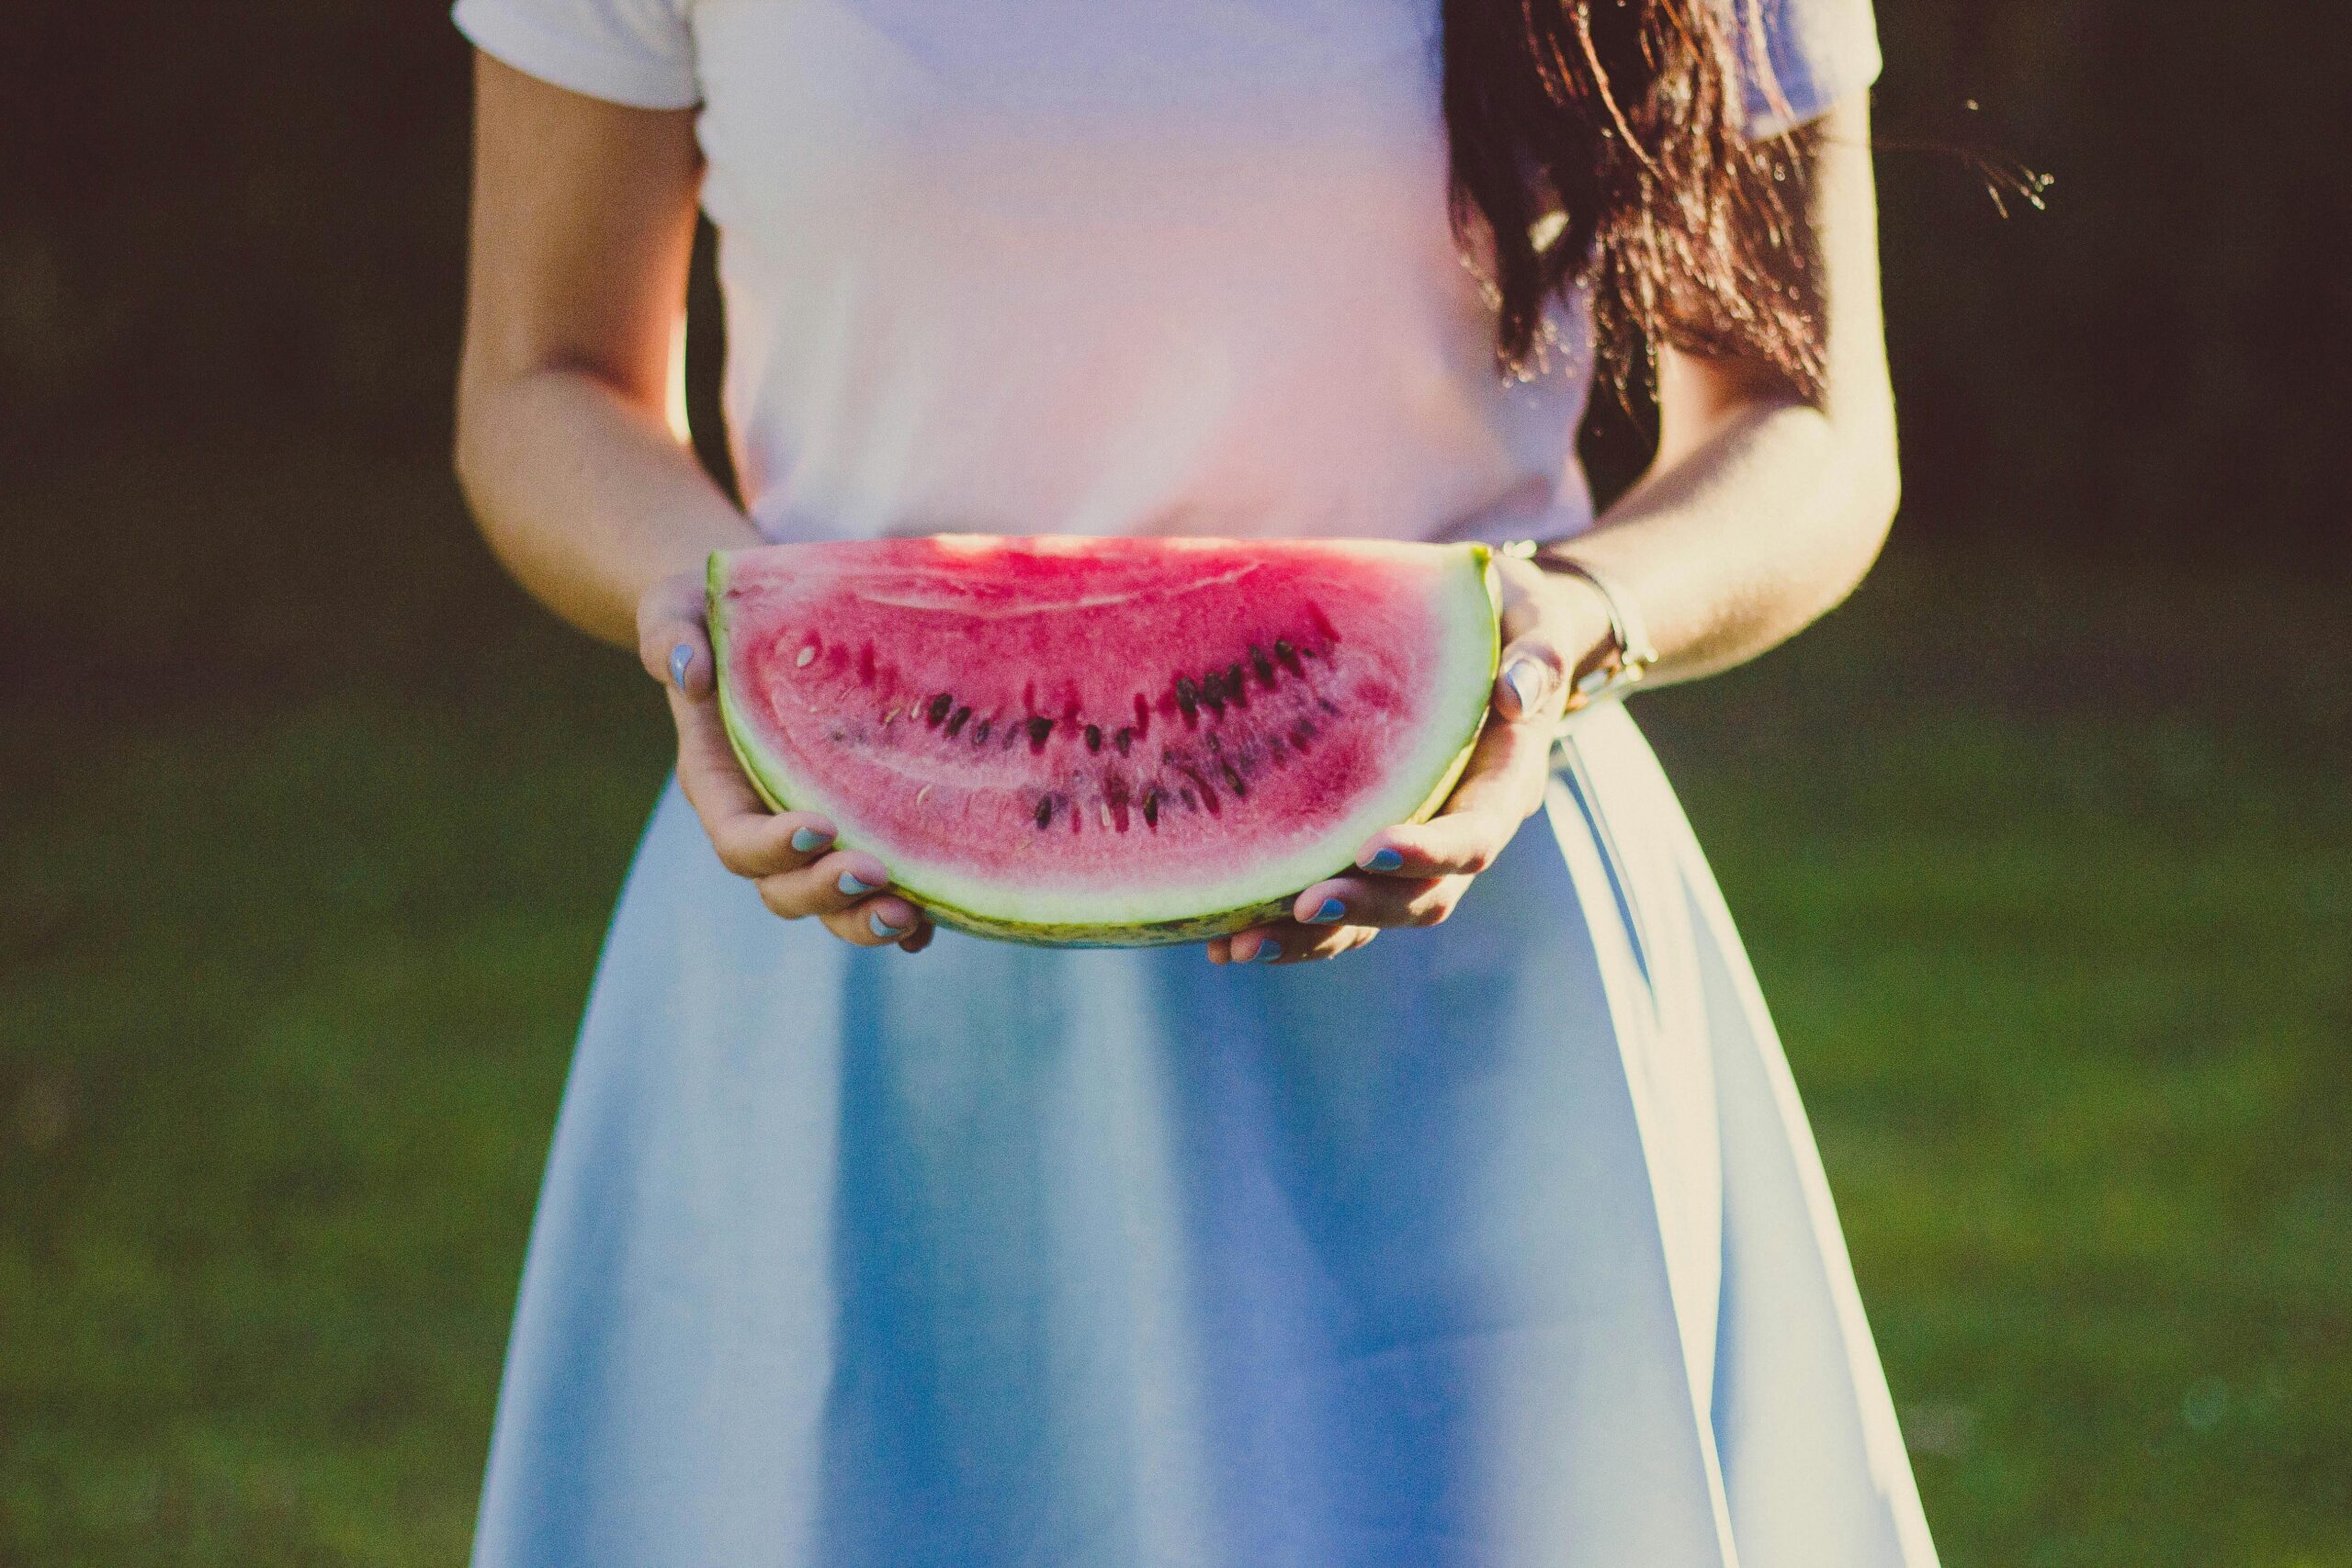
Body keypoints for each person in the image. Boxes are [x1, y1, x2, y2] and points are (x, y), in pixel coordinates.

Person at [450, 0, 1931, 1562]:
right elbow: (544, 378)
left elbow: (1810, 420)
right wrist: (717, 626)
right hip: (856, 952)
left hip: (1453, 946)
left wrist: (1574, 622)